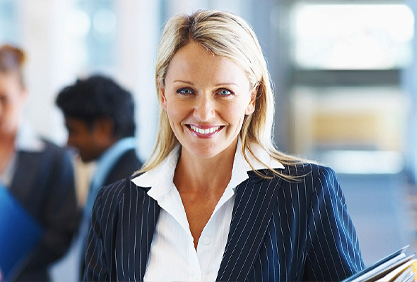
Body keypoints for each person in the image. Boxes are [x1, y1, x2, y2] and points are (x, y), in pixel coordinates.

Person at [83, 10, 365, 281]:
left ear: (251, 98)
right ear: (163, 95)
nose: (204, 112)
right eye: (185, 91)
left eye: (224, 92)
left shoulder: (307, 192)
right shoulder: (115, 206)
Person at [0, 44, 79, 281]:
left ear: (24, 93)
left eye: (4, 98)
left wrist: (12, 266)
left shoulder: (53, 158)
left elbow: (62, 233)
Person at [55, 74, 143, 279]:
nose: (68, 142)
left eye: (73, 131)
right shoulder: (112, 177)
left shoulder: (131, 186)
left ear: (104, 128)